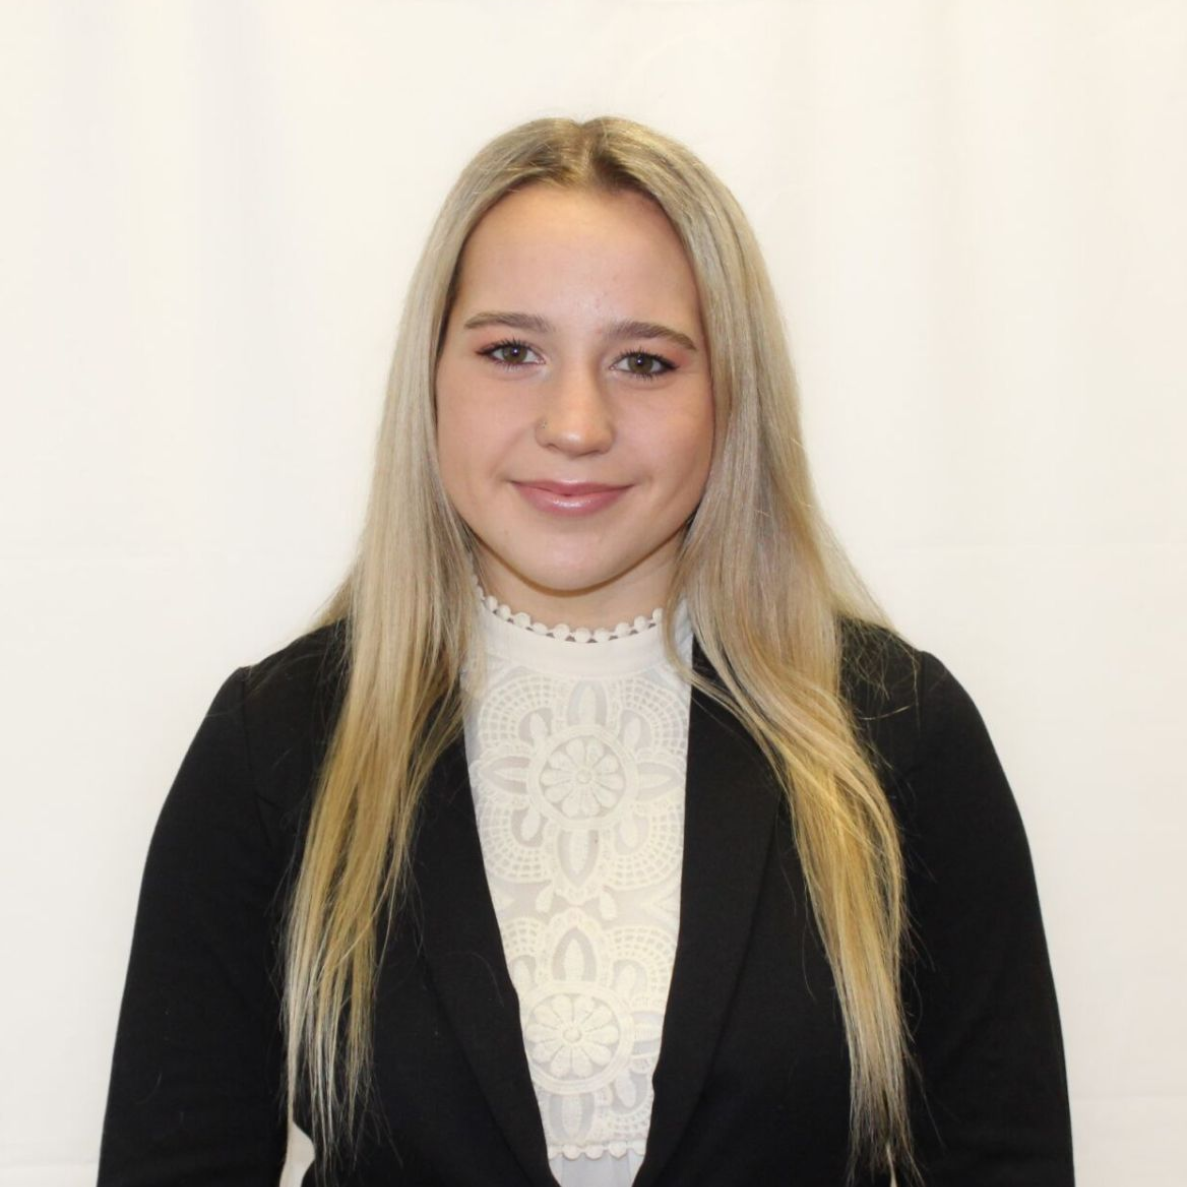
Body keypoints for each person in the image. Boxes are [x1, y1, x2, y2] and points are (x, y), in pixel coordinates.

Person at [97, 117, 1074, 1187]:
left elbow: (1002, 1160)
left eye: (644, 361)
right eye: (511, 351)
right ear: (430, 378)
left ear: (730, 397)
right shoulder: (278, 745)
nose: (575, 423)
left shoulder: (893, 733)